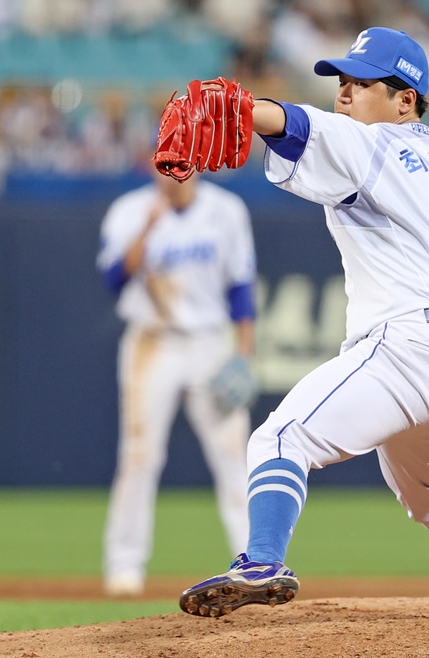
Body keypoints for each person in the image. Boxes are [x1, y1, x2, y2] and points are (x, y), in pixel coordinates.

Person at [177, 27, 429, 619]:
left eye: (362, 83)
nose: (344, 94)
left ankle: (262, 559)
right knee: (425, 490)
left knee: (280, 437)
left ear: (405, 101)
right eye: (342, 83)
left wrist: (241, 108)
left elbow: (290, 122)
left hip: (408, 348)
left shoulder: (369, 145)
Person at [97, 168, 258, 597]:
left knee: (233, 458)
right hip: (152, 343)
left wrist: (243, 353)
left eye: (180, 160)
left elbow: (241, 285)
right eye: (164, 160)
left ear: (196, 164)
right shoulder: (131, 211)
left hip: (209, 342)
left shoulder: (226, 210)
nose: (172, 170)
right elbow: (114, 278)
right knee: (139, 456)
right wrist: (149, 227)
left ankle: (256, 562)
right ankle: (124, 565)